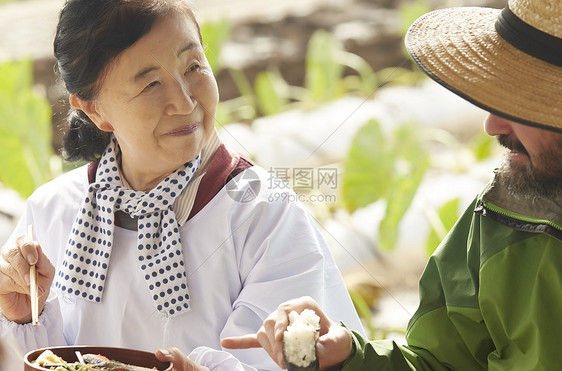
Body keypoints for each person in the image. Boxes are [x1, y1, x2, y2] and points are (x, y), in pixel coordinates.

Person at [0, 1, 363, 370]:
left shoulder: (265, 214)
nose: (184, 101)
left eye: (193, 67)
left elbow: (298, 359)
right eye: (151, 83)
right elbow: (44, 361)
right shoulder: (51, 211)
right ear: (95, 109)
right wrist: (24, 320)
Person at [222, 0, 562, 369]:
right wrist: (353, 358)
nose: (493, 126)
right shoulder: (503, 218)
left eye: (524, 105)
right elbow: (444, 361)